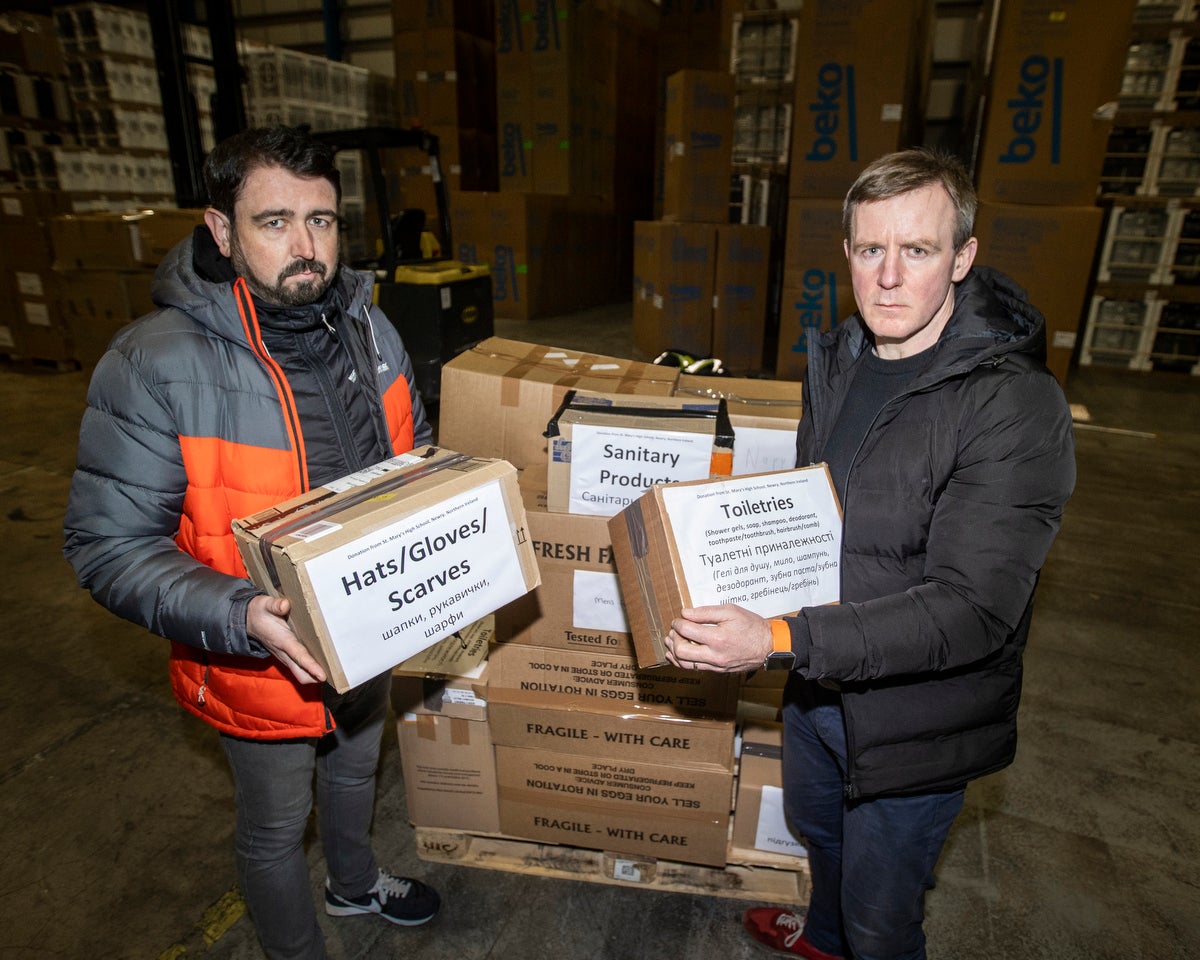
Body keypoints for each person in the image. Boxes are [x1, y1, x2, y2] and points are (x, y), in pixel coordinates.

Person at [665, 148, 1076, 960]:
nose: (887, 277)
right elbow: (815, 515)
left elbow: (972, 610)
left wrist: (779, 639)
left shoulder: (1016, 408)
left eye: (916, 251)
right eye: (867, 249)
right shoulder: (846, 357)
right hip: (820, 695)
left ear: (962, 258)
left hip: (915, 722)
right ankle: (820, 940)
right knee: (822, 840)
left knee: (882, 920)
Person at [63, 125, 440, 960]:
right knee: (274, 829)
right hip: (255, 655)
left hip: (371, 629)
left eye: (323, 221)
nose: (306, 247)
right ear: (222, 230)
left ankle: (352, 886)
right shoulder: (152, 365)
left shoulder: (374, 332)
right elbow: (106, 545)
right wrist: (242, 615)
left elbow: (412, 458)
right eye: (275, 223)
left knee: (352, 772)